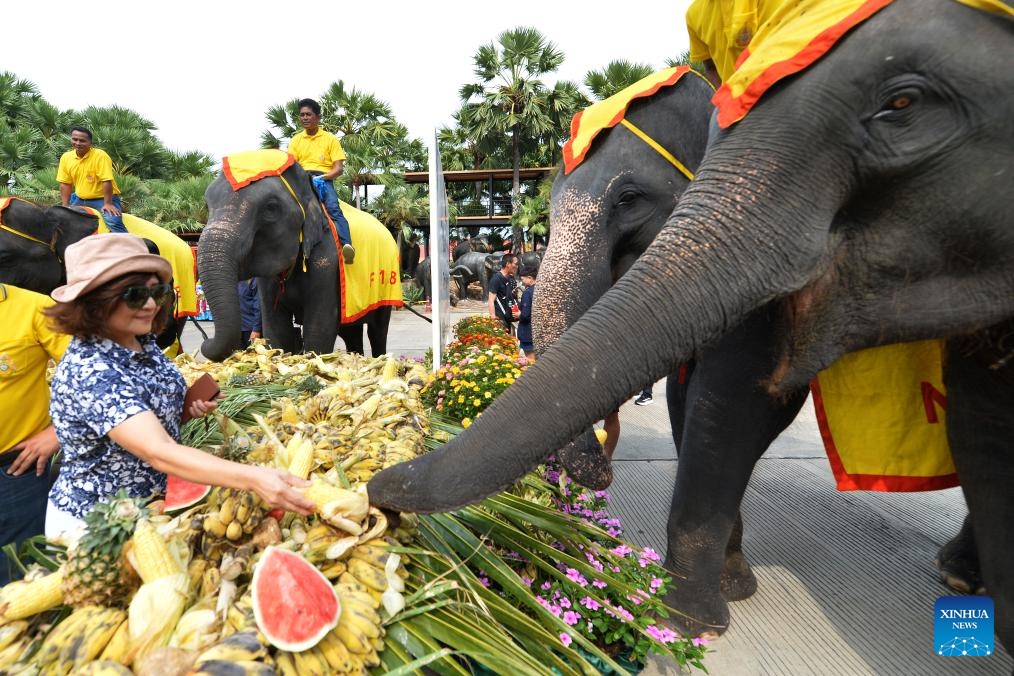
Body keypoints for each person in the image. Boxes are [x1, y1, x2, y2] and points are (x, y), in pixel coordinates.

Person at [43, 234, 314, 539]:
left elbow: (142, 420)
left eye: (156, 293)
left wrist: (186, 409)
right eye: (134, 296)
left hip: (149, 512)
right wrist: (255, 478)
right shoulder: (90, 369)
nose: (149, 305)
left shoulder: (139, 342)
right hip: (95, 525)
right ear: (95, 302)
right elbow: (157, 450)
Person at [0, 284, 70, 584]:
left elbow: (94, 373)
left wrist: (60, 431)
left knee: (19, 581)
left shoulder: (36, 309)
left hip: (16, 475)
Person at [288, 98, 355, 264]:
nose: (304, 117)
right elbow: (291, 165)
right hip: (301, 178)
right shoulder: (296, 140)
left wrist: (321, 178)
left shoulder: (330, 139)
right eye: (302, 115)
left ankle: (348, 246)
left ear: (317, 117)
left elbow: (338, 169)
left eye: (308, 114)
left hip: (323, 179)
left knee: (333, 209)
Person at [57, 126, 126, 233]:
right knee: (60, 218)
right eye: (75, 139)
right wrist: (65, 205)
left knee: (113, 221)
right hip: (79, 198)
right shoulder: (66, 157)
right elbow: (65, 183)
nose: (78, 143)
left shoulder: (100, 156)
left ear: (91, 143)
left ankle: (127, 246)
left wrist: (107, 204)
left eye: (82, 141)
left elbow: (106, 181)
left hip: (102, 198)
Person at [488, 253, 520, 334]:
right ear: (508, 264)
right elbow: (491, 300)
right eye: (515, 264)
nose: (517, 266)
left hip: (508, 316)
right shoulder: (496, 279)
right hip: (500, 318)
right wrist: (493, 318)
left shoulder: (510, 278)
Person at [516, 266, 538, 359]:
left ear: (529, 278)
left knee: (531, 360)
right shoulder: (540, 289)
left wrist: (518, 314)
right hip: (537, 331)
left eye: (522, 279)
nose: (522, 282)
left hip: (527, 332)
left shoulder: (528, 292)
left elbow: (525, 315)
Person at [238, 278, 262, 348]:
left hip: (250, 330)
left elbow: (259, 306)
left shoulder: (254, 280)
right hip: (236, 330)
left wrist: (256, 330)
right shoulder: (231, 280)